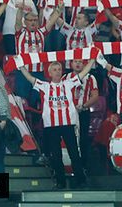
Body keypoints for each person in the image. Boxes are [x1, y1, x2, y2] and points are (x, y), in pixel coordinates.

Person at [18, 61, 93, 189]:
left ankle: (80, 180)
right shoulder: (44, 86)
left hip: (68, 124)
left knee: (74, 153)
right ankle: (60, 182)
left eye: (59, 69)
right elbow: (30, 78)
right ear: (49, 73)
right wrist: (21, 66)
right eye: (55, 70)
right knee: (56, 155)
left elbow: (84, 73)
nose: (58, 71)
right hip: (51, 127)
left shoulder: (69, 83)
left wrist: (92, 60)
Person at [14, 2, 63, 103]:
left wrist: (59, 9)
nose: (33, 22)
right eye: (30, 20)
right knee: (22, 100)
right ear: (25, 22)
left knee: (38, 100)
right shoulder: (20, 32)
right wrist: (20, 9)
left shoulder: (41, 32)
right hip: (23, 72)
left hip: (38, 72)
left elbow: (51, 21)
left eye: (35, 20)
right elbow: (18, 21)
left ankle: (37, 118)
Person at [63, 59, 99, 174]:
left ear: (84, 63)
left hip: (83, 112)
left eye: (80, 62)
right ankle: (70, 165)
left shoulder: (90, 78)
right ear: (71, 64)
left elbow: (95, 96)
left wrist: (83, 105)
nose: (78, 64)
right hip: (68, 113)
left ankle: (83, 166)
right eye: (75, 61)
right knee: (70, 139)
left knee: (83, 139)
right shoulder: (65, 77)